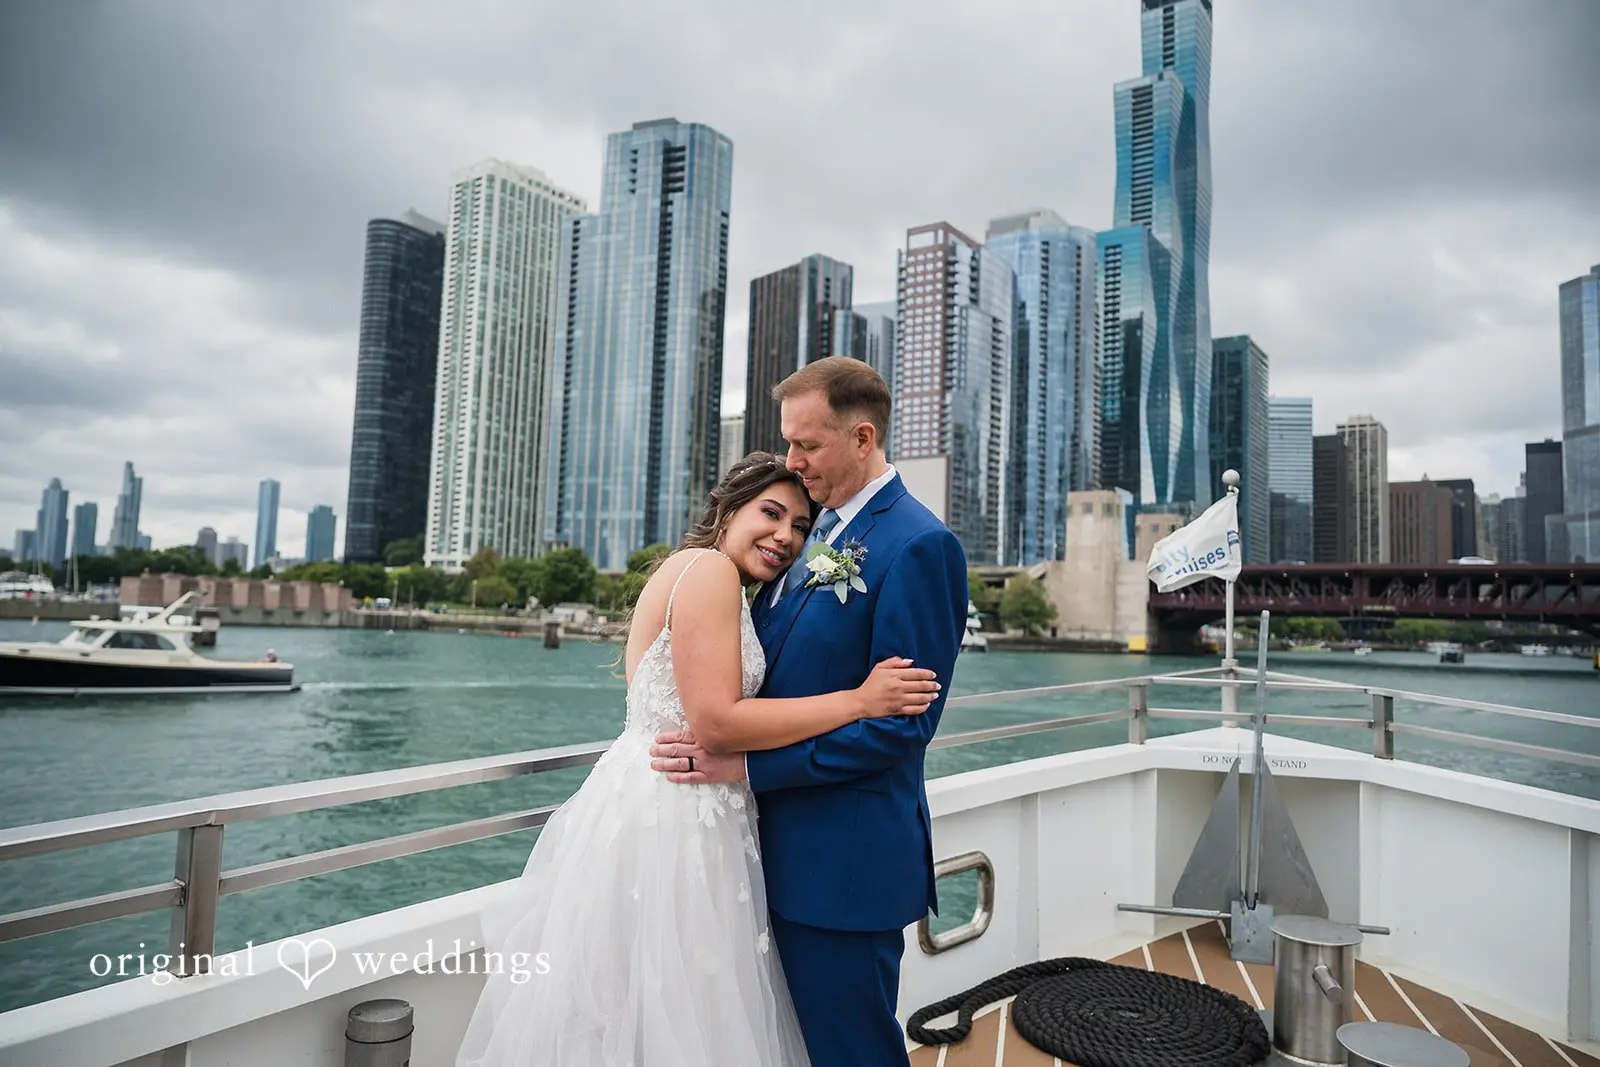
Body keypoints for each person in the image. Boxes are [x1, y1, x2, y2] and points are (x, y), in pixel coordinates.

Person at [454, 451, 941, 1067]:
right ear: (728, 510)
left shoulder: (697, 575)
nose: (786, 537)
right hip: (679, 814)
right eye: (771, 513)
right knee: (687, 1003)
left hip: (653, 802)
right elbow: (716, 723)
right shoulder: (709, 572)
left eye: (800, 526)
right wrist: (860, 700)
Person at [651, 357, 969, 1066]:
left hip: (841, 869)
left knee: (851, 1052)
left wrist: (747, 767)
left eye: (807, 444)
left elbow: (900, 726)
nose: (791, 461)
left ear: (862, 437)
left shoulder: (919, 546)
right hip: (756, 855)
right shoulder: (807, 536)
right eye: (788, 442)